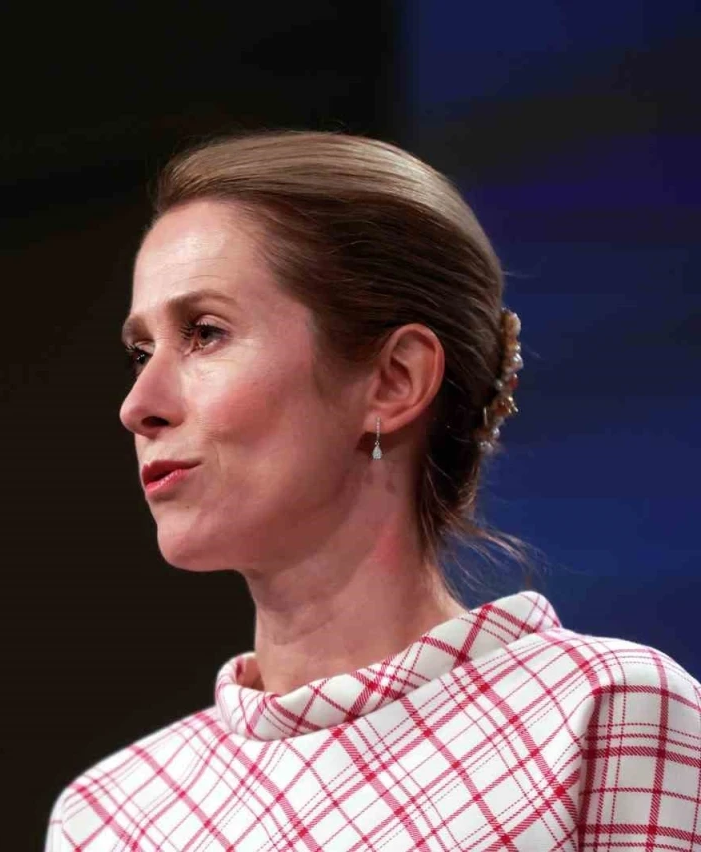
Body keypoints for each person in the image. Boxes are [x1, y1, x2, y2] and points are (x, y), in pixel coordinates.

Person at [45, 131, 701, 851]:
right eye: (141, 352)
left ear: (394, 381)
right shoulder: (109, 818)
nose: (138, 405)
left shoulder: (600, 715)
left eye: (204, 333)